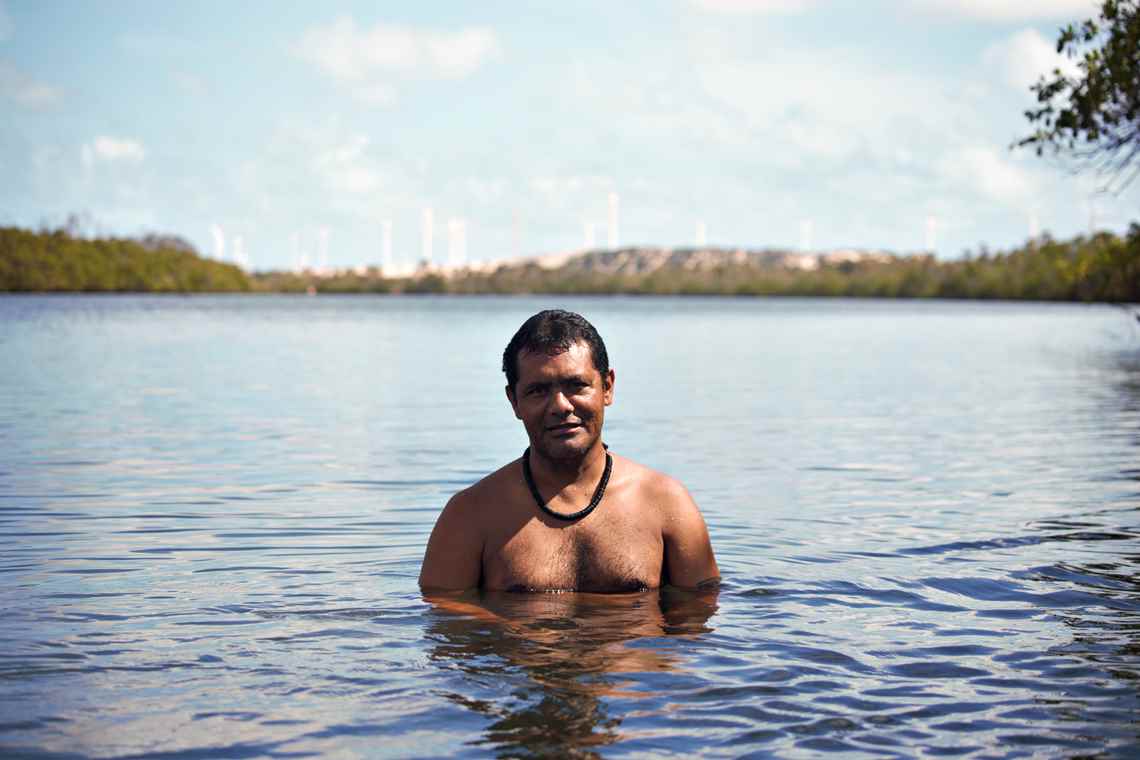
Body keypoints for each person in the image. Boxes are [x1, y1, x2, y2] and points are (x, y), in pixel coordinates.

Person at [419, 309, 719, 593]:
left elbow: (700, 621)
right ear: (514, 402)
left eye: (576, 385)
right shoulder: (471, 515)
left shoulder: (666, 504)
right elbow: (445, 620)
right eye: (538, 391)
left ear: (607, 387)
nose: (561, 406)